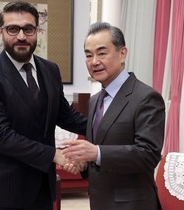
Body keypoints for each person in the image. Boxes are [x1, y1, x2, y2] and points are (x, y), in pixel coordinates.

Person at [0, 1, 87, 210]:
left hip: (42, 186)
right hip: (4, 191)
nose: (22, 36)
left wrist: (107, 125)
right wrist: (54, 155)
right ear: (1, 32)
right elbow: (0, 136)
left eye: (28, 29)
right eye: (13, 29)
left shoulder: (51, 70)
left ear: (37, 30)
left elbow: (65, 116)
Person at [62, 22, 165, 210]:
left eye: (102, 53)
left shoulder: (146, 97)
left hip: (133, 205)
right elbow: (103, 149)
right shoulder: (94, 101)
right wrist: (84, 162)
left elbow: (149, 154)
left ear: (122, 53)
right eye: (88, 55)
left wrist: (97, 153)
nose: (94, 61)